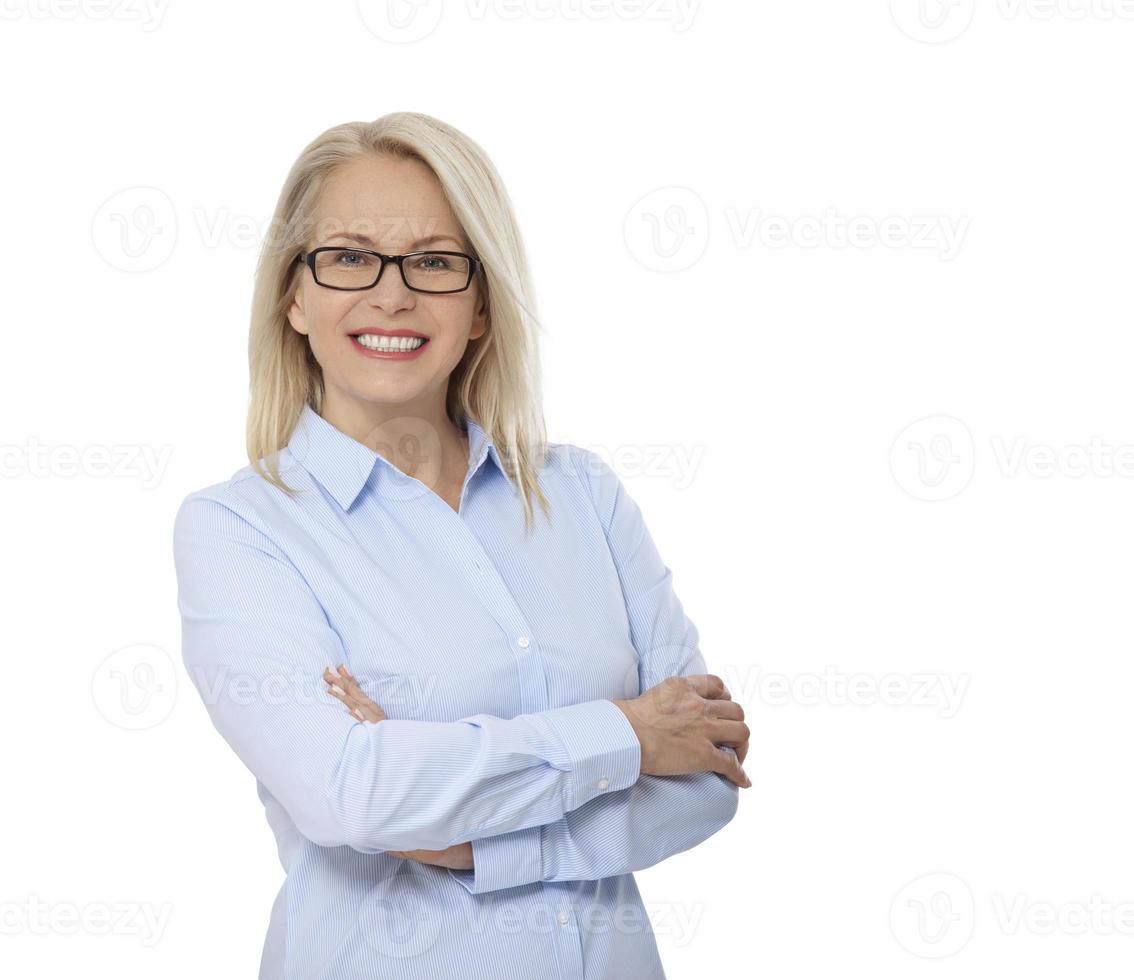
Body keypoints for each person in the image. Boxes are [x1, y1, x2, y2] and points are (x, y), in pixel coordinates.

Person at [172, 110, 750, 980]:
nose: (392, 294)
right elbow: (352, 794)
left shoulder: (582, 494)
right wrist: (627, 734)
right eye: (349, 256)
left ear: (482, 304)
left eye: (436, 262)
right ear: (293, 295)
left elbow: (707, 772)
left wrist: (466, 841)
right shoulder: (240, 531)